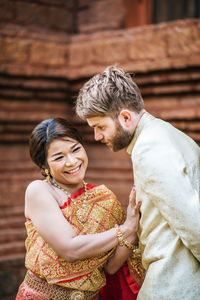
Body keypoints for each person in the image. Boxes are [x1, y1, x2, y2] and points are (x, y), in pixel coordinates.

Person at [75, 66, 200, 300]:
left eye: (100, 127)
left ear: (125, 117)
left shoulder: (148, 148)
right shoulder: (167, 133)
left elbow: (193, 222)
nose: (97, 137)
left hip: (173, 285)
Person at [16, 117, 144, 300]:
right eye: (59, 157)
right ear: (44, 165)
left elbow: (111, 267)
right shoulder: (40, 191)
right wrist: (124, 229)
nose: (71, 161)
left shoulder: (104, 199)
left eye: (75, 149)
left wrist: (134, 224)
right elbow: (70, 249)